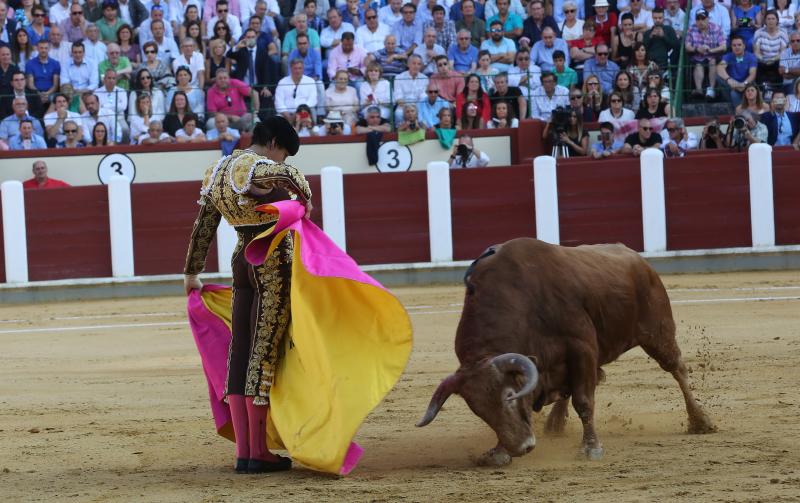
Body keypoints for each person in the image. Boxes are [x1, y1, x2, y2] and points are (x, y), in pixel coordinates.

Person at [183, 117, 311, 475]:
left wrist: (191, 273)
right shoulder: (258, 167)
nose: (282, 161)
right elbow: (290, 176)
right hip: (271, 260)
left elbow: (203, 226)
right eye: (283, 153)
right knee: (263, 351)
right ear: (273, 143)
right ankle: (259, 453)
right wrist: (306, 199)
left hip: (241, 260)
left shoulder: (218, 171)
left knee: (240, 350)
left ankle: (244, 452)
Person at [684, 9, 726, 99]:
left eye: (703, 19)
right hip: (698, 55)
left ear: (708, 19)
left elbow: (723, 46)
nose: (700, 21)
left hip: (713, 55)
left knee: (712, 61)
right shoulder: (691, 29)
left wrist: (711, 50)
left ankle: (711, 89)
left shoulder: (716, 28)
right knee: (698, 64)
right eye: (698, 19)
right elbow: (687, 46)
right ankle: (699, 90)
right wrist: (697, 49)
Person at [717, 35, 758, 106]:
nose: (737, 47)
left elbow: (752, 74)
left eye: (739, 45)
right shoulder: (728, 56)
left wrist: (744, 84)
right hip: (732, 85)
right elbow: (719, 68)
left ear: (744, 46)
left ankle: (740, 111)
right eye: (734, 45)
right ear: (731, 47)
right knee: (718, 76)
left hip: (746, 85)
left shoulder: (751, 57)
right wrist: (729, 80)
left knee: (734, 94)